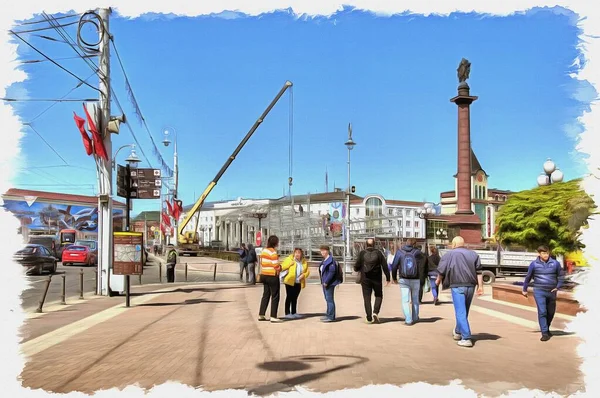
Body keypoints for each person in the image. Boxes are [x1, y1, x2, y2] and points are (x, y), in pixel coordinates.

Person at [436, 236, 484, 348]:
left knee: (460, 312)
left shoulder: (449, 255)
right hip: (471, 286)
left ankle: (466, 337)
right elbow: (479, 271)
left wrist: (438, 280)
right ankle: (458, 331)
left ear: (453, 244)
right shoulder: (473, 254)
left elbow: (441, 270)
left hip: (457, 285)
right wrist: (480, 286)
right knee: (464, 310)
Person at [522, 245, 563, 342]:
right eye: (543, 253)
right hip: (539, 291)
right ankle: (544, 333)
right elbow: (528, 277)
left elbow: (561, 276)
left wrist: (558, 287)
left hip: (552, 291)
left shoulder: (555, 263)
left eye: (547, 253)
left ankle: (547, 328)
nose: (546, 255)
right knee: (542, 311)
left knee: (551, 312)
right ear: (539, 254)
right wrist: (524, 289)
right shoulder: (534, 264)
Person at [354, 237, 391, 324]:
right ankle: (375, 312)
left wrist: (359, 269)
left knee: (367, 298)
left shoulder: (362, 253)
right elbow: (385, 266)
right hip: (377, 279)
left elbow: (356, 266)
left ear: (366, 244)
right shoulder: (379, 253)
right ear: (374, 244)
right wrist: (388, 278)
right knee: (378, 295)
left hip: (365, 278)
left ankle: (369, 317)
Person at [391, 238, 425, 325]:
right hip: (415, 279)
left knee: (405, 300)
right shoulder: (417, 252)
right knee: (415, 299)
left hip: (403, 279)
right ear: (414, 244)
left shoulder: (400, 252)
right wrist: (422, 278)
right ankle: (415, 317)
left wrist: (394, 278)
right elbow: (423, 265)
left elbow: (394, 265)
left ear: (406, 243)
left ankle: (408, 319)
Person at [258, 235, 283, 323]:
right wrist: (281, 268)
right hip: (272, 275)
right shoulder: (273, 252)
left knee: (266, 295)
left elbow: (262, 262)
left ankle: (261, 314)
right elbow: (276, 265)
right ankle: (273, 316)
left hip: (264, 274)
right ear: (275, 243)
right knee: (275, 295)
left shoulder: (264, 251)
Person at [280, 248, 310, 319]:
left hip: (298, 282)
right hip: (289, 281)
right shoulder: (289, 259)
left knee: (295, 297)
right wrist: (289, 265)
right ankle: (287, 313)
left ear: (301, 254)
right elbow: (282, 267)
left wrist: (304, 275)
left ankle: (294, 312)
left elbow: (307, 271)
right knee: (289, 296)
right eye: (296, 253)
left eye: (299, 253)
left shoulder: (304, 262)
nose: (297, 254)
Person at [318, 245, 340, 322]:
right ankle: (328, 314)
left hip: (329, 283)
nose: (322, 252)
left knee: (330, 299)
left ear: (327, 251)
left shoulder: (330, 260)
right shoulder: (325, 260)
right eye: (321, 251)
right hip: (325, 283)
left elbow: (332, 272)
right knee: (327, 299)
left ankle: (331, 316)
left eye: (324, 250)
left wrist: (326, 282)